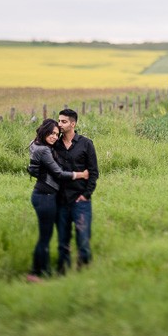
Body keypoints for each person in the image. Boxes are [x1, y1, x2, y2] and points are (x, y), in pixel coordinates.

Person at [26, 118, 90, 282]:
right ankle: (36, 272)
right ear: (44, 131)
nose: (55, 137)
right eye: (52, 133)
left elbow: (34, 167)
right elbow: (59, 174)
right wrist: (80, 174)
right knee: (45, 237)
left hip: (43, 196)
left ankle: (42, 271)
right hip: (45, 197)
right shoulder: (45, 151)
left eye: (57, 134)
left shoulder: (37, 145)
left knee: (45, 236)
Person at [54, 108, 99, 272]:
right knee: (62, 240)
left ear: (73, 124)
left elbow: (93, 172)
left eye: (63, 121)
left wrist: (86, 195)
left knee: (83, 239)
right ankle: (62, 272)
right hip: (60, 200)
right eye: (59, 121)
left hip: (80, 200)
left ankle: (84, 270)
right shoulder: (54, 144)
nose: (59, 124)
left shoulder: (86, 144)